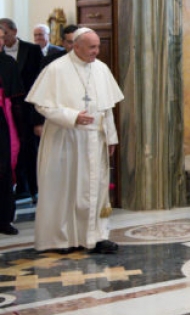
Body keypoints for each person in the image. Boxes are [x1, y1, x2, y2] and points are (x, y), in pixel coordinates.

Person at [26, 28, 124, 253]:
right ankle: (61, 239)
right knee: (65, 189)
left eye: (98, 47)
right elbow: (42, 104)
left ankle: (97, 236)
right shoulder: (56, 69)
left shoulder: (101, 69)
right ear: (76, 46)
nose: (96, 52)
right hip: (66, 139)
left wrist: (110, 137)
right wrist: (72, 117)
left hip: (94, 140)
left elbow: (107, 109)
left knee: (96, 189)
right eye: (92, 47)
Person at [0, 18, 43, 202]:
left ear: (14, 32)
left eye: (5, 34)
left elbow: (40, 81)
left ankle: (33, 188)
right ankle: (18, 188)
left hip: (27, 109)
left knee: (29, 149)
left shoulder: (32, 50)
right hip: (8, 109)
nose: (4, 39)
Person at [0, 39, 23, 235]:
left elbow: (16, 100)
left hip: (3, 121)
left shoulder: (8, 63)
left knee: (4, 169)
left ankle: (4, 219)